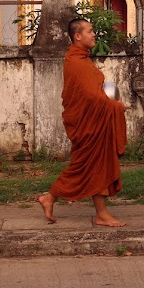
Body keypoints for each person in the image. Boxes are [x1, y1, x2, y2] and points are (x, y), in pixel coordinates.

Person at [38, 18, 129, 227]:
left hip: (94, 120)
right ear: (77, 36)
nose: (93, 34)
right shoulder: (76, 62)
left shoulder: (81, 59)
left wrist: (109, 101)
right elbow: (90, 96)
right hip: (88, 123)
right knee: (85, 166)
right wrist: (116, 107)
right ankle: (55, 198)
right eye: (89, 31)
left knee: (96, 166)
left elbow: (94, 92)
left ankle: (54, 199)